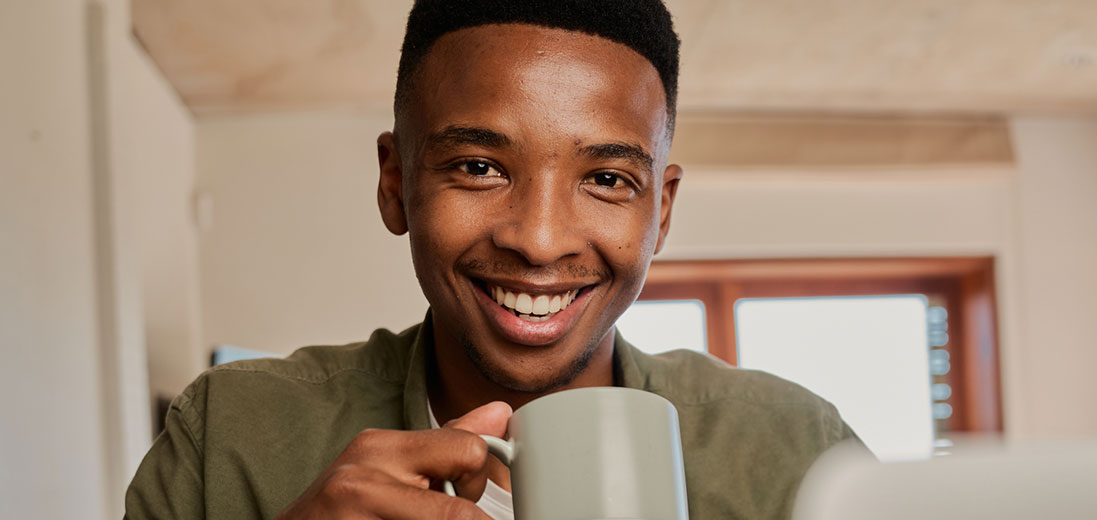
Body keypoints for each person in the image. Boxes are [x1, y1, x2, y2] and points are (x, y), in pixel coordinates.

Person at [125, 1, 859, 518]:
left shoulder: (797, 454)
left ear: (659, 211)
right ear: (395, 184)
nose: (539, 240)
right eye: (479, 167)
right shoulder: (227, 439)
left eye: (607, 179)